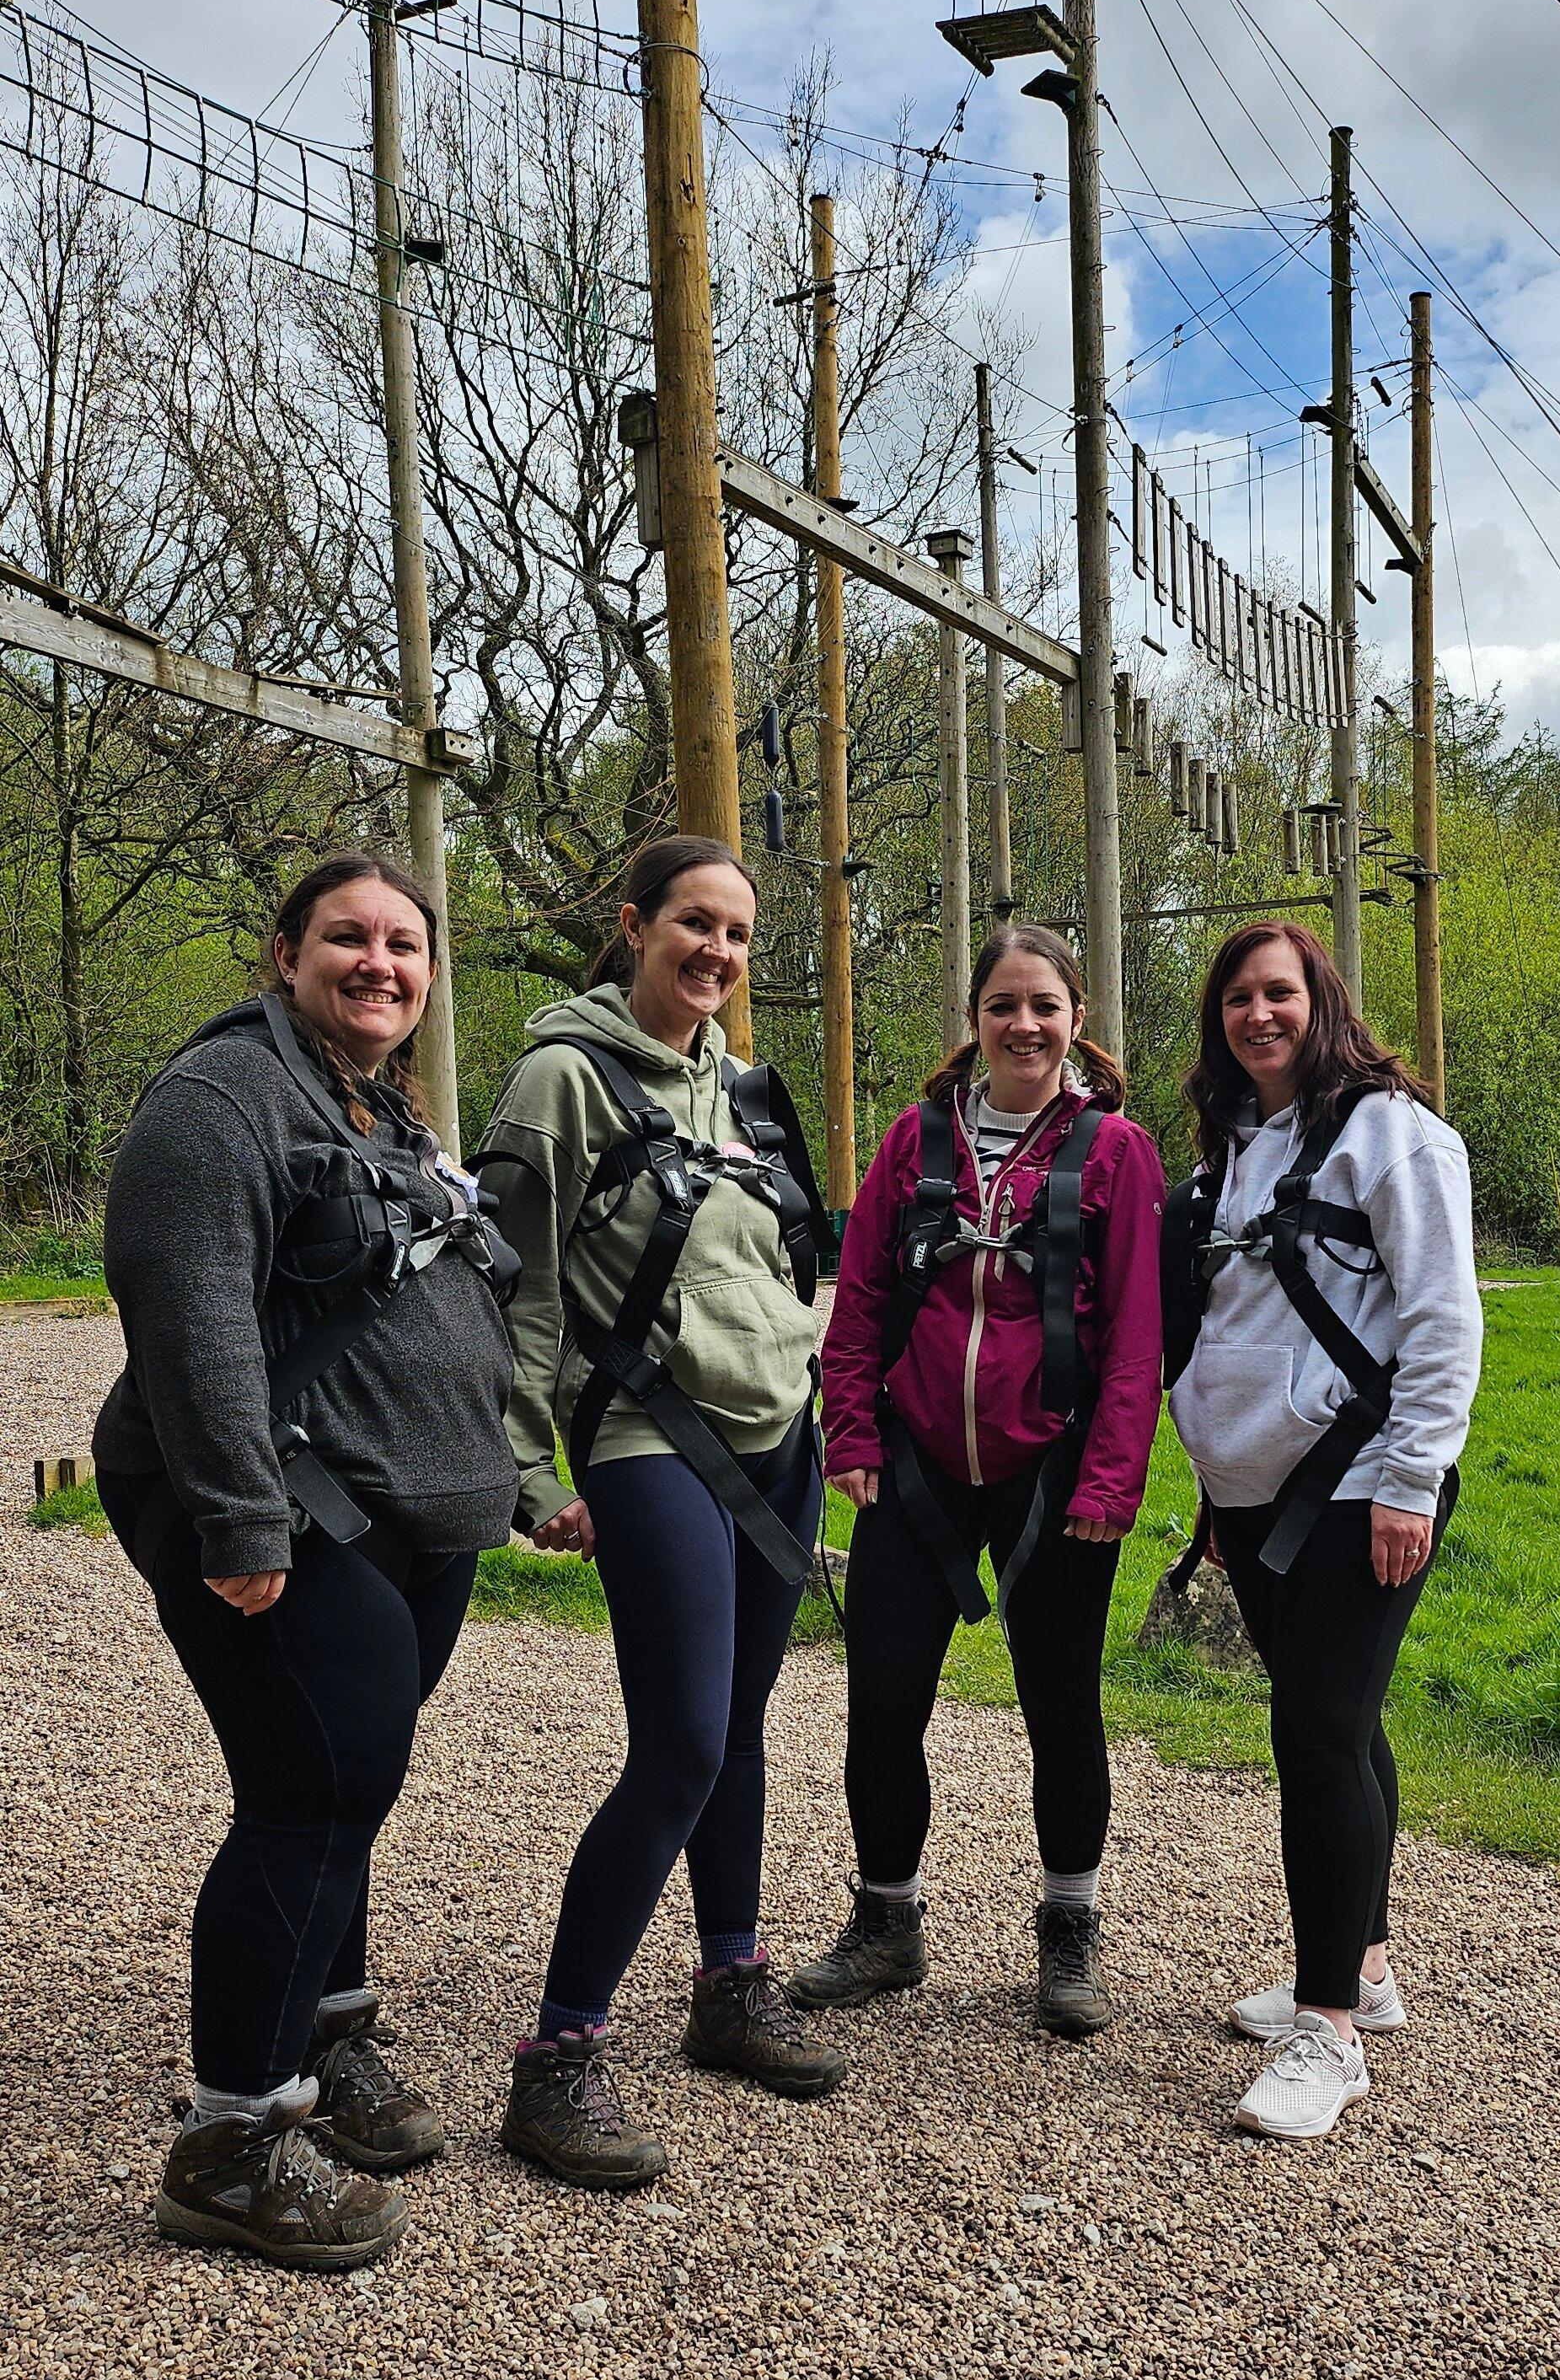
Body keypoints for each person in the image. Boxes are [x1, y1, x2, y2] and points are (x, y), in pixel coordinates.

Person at [93, 855, 520, 2270]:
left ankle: (330, 2042)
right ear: (287, 954)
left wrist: (507, 1482)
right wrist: (242, 1523)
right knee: (313, 1792)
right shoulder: (221, 1100)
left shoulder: (383, 1108)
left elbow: (438, 1307)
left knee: (352, 1787)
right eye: (350, 937)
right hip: (279, 1509)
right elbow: (190, 1306)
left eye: (407, 944)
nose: (381, 963)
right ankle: (229, 2145)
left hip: (400, 1516)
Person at [476, 833, 844, 2186]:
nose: (718, 953)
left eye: (738, 936)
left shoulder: (740, 1090)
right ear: (635, 926)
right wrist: (526, 1467)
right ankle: (558, 2056)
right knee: (682, 1742)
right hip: (650, 1433)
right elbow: (506, 1283)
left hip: (775, 1435)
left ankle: (729, 1978)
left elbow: (784, 1258)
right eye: (695, 924)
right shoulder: (559, 1079)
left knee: (739, 1726)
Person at [797, 924, 1165, 2038]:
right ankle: (888, 1921)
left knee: (1062, 1705)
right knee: (882, 1703)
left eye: (1044, 1006)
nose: (1023, 1026)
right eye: (1003, 1005)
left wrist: (1109, 1485)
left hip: (1051, 1472)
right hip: (913, 1468)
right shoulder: (914, 1141)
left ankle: (1068, 1927)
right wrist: (849, 1438)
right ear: (975, 1020)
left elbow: (1139, 1334)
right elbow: (857, 1298)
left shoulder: (1116, 1153)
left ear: (1077, 1022)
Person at [1166, 919, 1482, 2141]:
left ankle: (1328, 2034)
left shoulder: (1393, 1137)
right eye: (1239, 997)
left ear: (1322, 1003)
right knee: (1339, 1721)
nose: (1260, 1014)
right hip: (1254, 1494)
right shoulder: (1231, 1152)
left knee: (1316, 1730)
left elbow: (1445, 1318)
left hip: (1362, 1482)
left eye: (1280, 993)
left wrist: (1412, 1479)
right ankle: (1367, 1967)